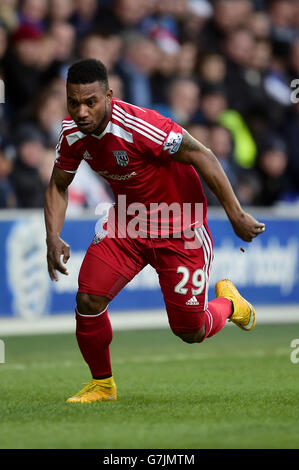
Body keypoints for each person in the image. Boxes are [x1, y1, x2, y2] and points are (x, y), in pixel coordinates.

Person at [44, 59, 265, 403]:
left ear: (109, 97)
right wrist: (53, 236)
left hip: (181, 227)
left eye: (91, 102)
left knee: (190, 331)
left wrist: (235, 213)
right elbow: (58, 185)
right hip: (127, 224)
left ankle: (229, 306)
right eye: (74, 102)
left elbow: (203, 155)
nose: (82, 111)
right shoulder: (72, 133)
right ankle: (103, 385)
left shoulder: (142, 125)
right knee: (88, 298)